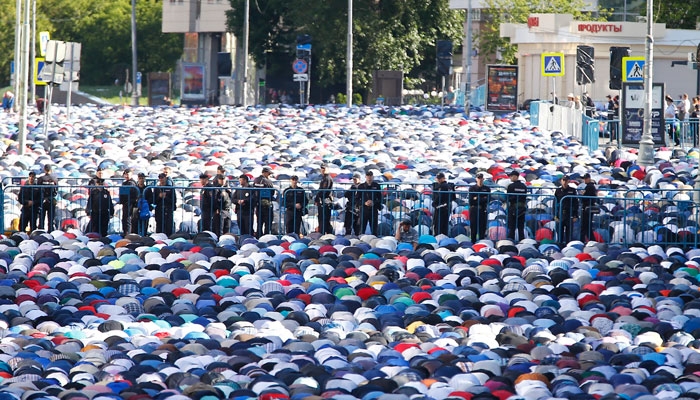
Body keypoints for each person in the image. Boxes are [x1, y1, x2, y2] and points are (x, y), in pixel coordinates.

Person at [554, 175, 578, 245]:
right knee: (559, 233)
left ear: (568, 181)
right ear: (561, 181)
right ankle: (560, 245)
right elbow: (555, 203)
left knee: (569, 233)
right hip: (560, 214)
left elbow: (575, 203)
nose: (565, 182)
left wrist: (575, 215)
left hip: (569, 213)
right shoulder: (558, 191)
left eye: (566, 180)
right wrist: (555, 215)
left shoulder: (572, 190)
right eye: (563, 180)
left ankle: (568, 245)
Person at [357, 171, 382, 235]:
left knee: (374, 227)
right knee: (362, 227)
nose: (369, 177)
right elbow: (357, 199)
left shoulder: (377, 186)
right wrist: (364, 203)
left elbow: (380, 198)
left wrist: (374, 203)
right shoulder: (361, 186)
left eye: (370, 176)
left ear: (373, 177)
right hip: (364, 209)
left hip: (374, 209)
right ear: (365, 177)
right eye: (368, 176)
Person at [253, 166, 276, 236]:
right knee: (267, 222)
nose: (269, 176)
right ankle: (266, 236)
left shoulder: (256, 180)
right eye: (269, 174)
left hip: (258, 203)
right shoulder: (268, 181)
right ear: (265, 173)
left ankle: (259, 235)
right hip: (267, 204)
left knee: (259, 222)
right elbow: (272, 192)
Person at [468, 173, 491, 243]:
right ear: (476, 179)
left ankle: (481, 241)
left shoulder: (486, 189)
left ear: (483, 179)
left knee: (482, 227)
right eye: (478, 178)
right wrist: (482, 198)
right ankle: (473, 241)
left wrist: (477, 198)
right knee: (473, 226)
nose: (480, 180)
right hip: (474, 209)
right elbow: (471, 201)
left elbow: (488, 199)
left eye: (481, 178)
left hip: (482, 209)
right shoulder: (472, 188)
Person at [506, 170, 527, 242]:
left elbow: (509, 198)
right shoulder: (523, 186)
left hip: (513, 208)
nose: (510, 178)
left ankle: (511, 241)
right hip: (522, 208)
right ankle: (522, 241)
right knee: (521, 228)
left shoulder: (511, 186)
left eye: (511, 176)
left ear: (516, 177)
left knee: (512, 227)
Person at [314, 164, 334, 235]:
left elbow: (324, 190)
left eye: (324, 168)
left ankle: (324, 233)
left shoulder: (327, 178)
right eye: (322, 168)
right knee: (322, 219)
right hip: (322, 201)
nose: (322, 170)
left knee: (324, 220)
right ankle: (325, 232)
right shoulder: (324, 178)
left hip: (325, 201)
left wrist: (317, 198)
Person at [37, 164, 58, 231]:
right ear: (51, 170)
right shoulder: (54, 179)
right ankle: (51, 231)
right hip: (51, 200)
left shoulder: (41, 179)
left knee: (41, 218)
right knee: (51, 219)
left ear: (44, 170)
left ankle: (41, 231)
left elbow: (38, 190)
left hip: (42, 200)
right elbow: (56, 190)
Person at [118, 168, 139, 235]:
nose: (126, 176)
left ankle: (128, 233)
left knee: (128, 220)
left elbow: (132, 194)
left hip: (130, 203)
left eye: (128, 174)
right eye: (125, 174)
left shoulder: (131, 183)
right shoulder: (125, 183)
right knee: (125, 219)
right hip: (126, 203)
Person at [432, 172, 452, 236]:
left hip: (441, 207)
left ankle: (438, 236)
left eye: (439, 178)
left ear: (443, 178)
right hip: (445, 207)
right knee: (444, 225)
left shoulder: (442, 186)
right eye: (438, 178)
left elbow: (439, 197)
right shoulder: (448, 186)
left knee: (438, 225)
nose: (438, 180)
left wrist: (434, 203)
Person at [580, 173, 598, 243]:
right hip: (588, 208)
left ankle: (587, 240)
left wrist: (582, 196)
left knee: (585, 225)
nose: (584, 180)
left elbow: (585, 198)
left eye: (585, 178)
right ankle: (591, 240)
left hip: (587, 208)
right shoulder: (590, 186)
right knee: (587, 226)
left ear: (588, 178)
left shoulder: (589, 187)